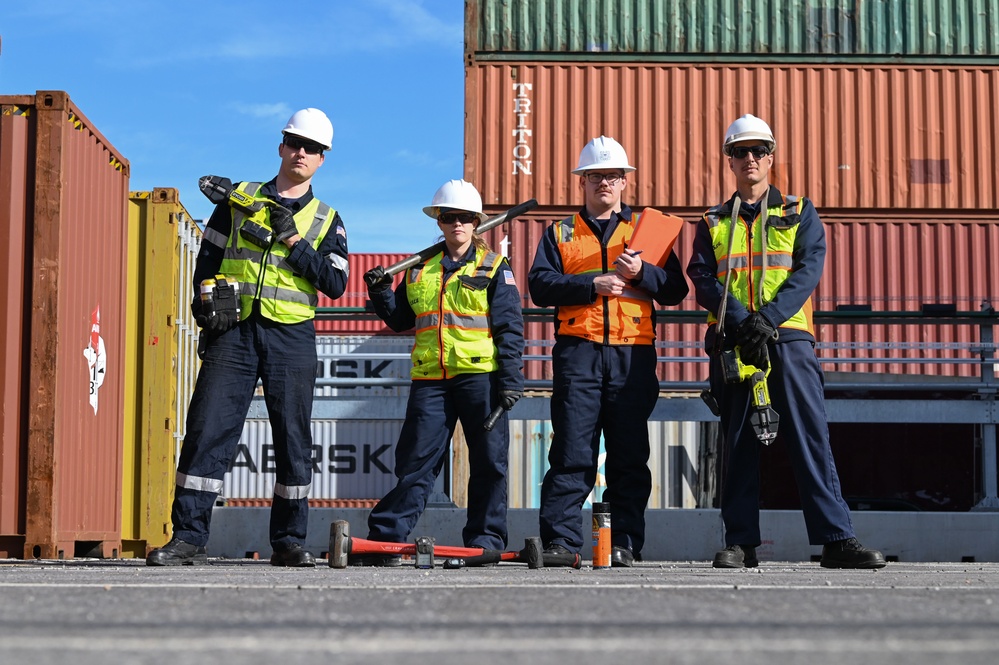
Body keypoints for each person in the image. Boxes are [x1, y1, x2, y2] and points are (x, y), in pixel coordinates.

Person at [147, 108, 349, 567]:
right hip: (233, 332)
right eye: (295, 142)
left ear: (322, 160)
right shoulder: (238, 200)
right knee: (206, 431)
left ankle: (289, 541)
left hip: (291, 337)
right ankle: (188, 537)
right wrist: (204, 308)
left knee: (293, 441)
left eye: (312, 148)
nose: (302, 152)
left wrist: (294, 242)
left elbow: (335, 284)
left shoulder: (327, 219)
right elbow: (208, 260)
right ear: (281, 146)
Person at [686, 114, 886, 569]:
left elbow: (807, 271)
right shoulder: (712, 221)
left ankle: (836, 539)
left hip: (789, 339)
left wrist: (768, 320)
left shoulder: (800, 211)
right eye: (741, 152)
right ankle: (741, 543)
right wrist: (743, 322)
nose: (750, 158)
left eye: (758, 151)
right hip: (737, 342)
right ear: (729, 161)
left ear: (771, 157)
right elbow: (702, 279)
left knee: (808, 437)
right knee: (737, 446)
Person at [528, 136, 689, 567]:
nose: (604, 182)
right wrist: (590, 284)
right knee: (570, 453)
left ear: (624, 182)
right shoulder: (560, 233)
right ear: (582, 181)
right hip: (578, 354)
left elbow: (676, 289)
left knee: (629, 456)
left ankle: (624, 544)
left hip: (632, 357)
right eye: (596, 175)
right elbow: (539, 286)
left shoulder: (646, 233)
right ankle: (562, 544)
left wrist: (644, 273)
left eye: (612, 175)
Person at [358, 179, 525, 565]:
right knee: (414, 462)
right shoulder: (418, 270)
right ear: (440, 221)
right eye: (450, 217)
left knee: (489, 463)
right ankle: (385, 540)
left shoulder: (495, 266)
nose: (458, 224)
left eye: (465, 218)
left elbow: (510, 327)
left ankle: (485, 541)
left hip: (480, 377)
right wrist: (381, 291)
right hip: (431, 379)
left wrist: (511, 378)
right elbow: (401, 320)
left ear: (476, 222)